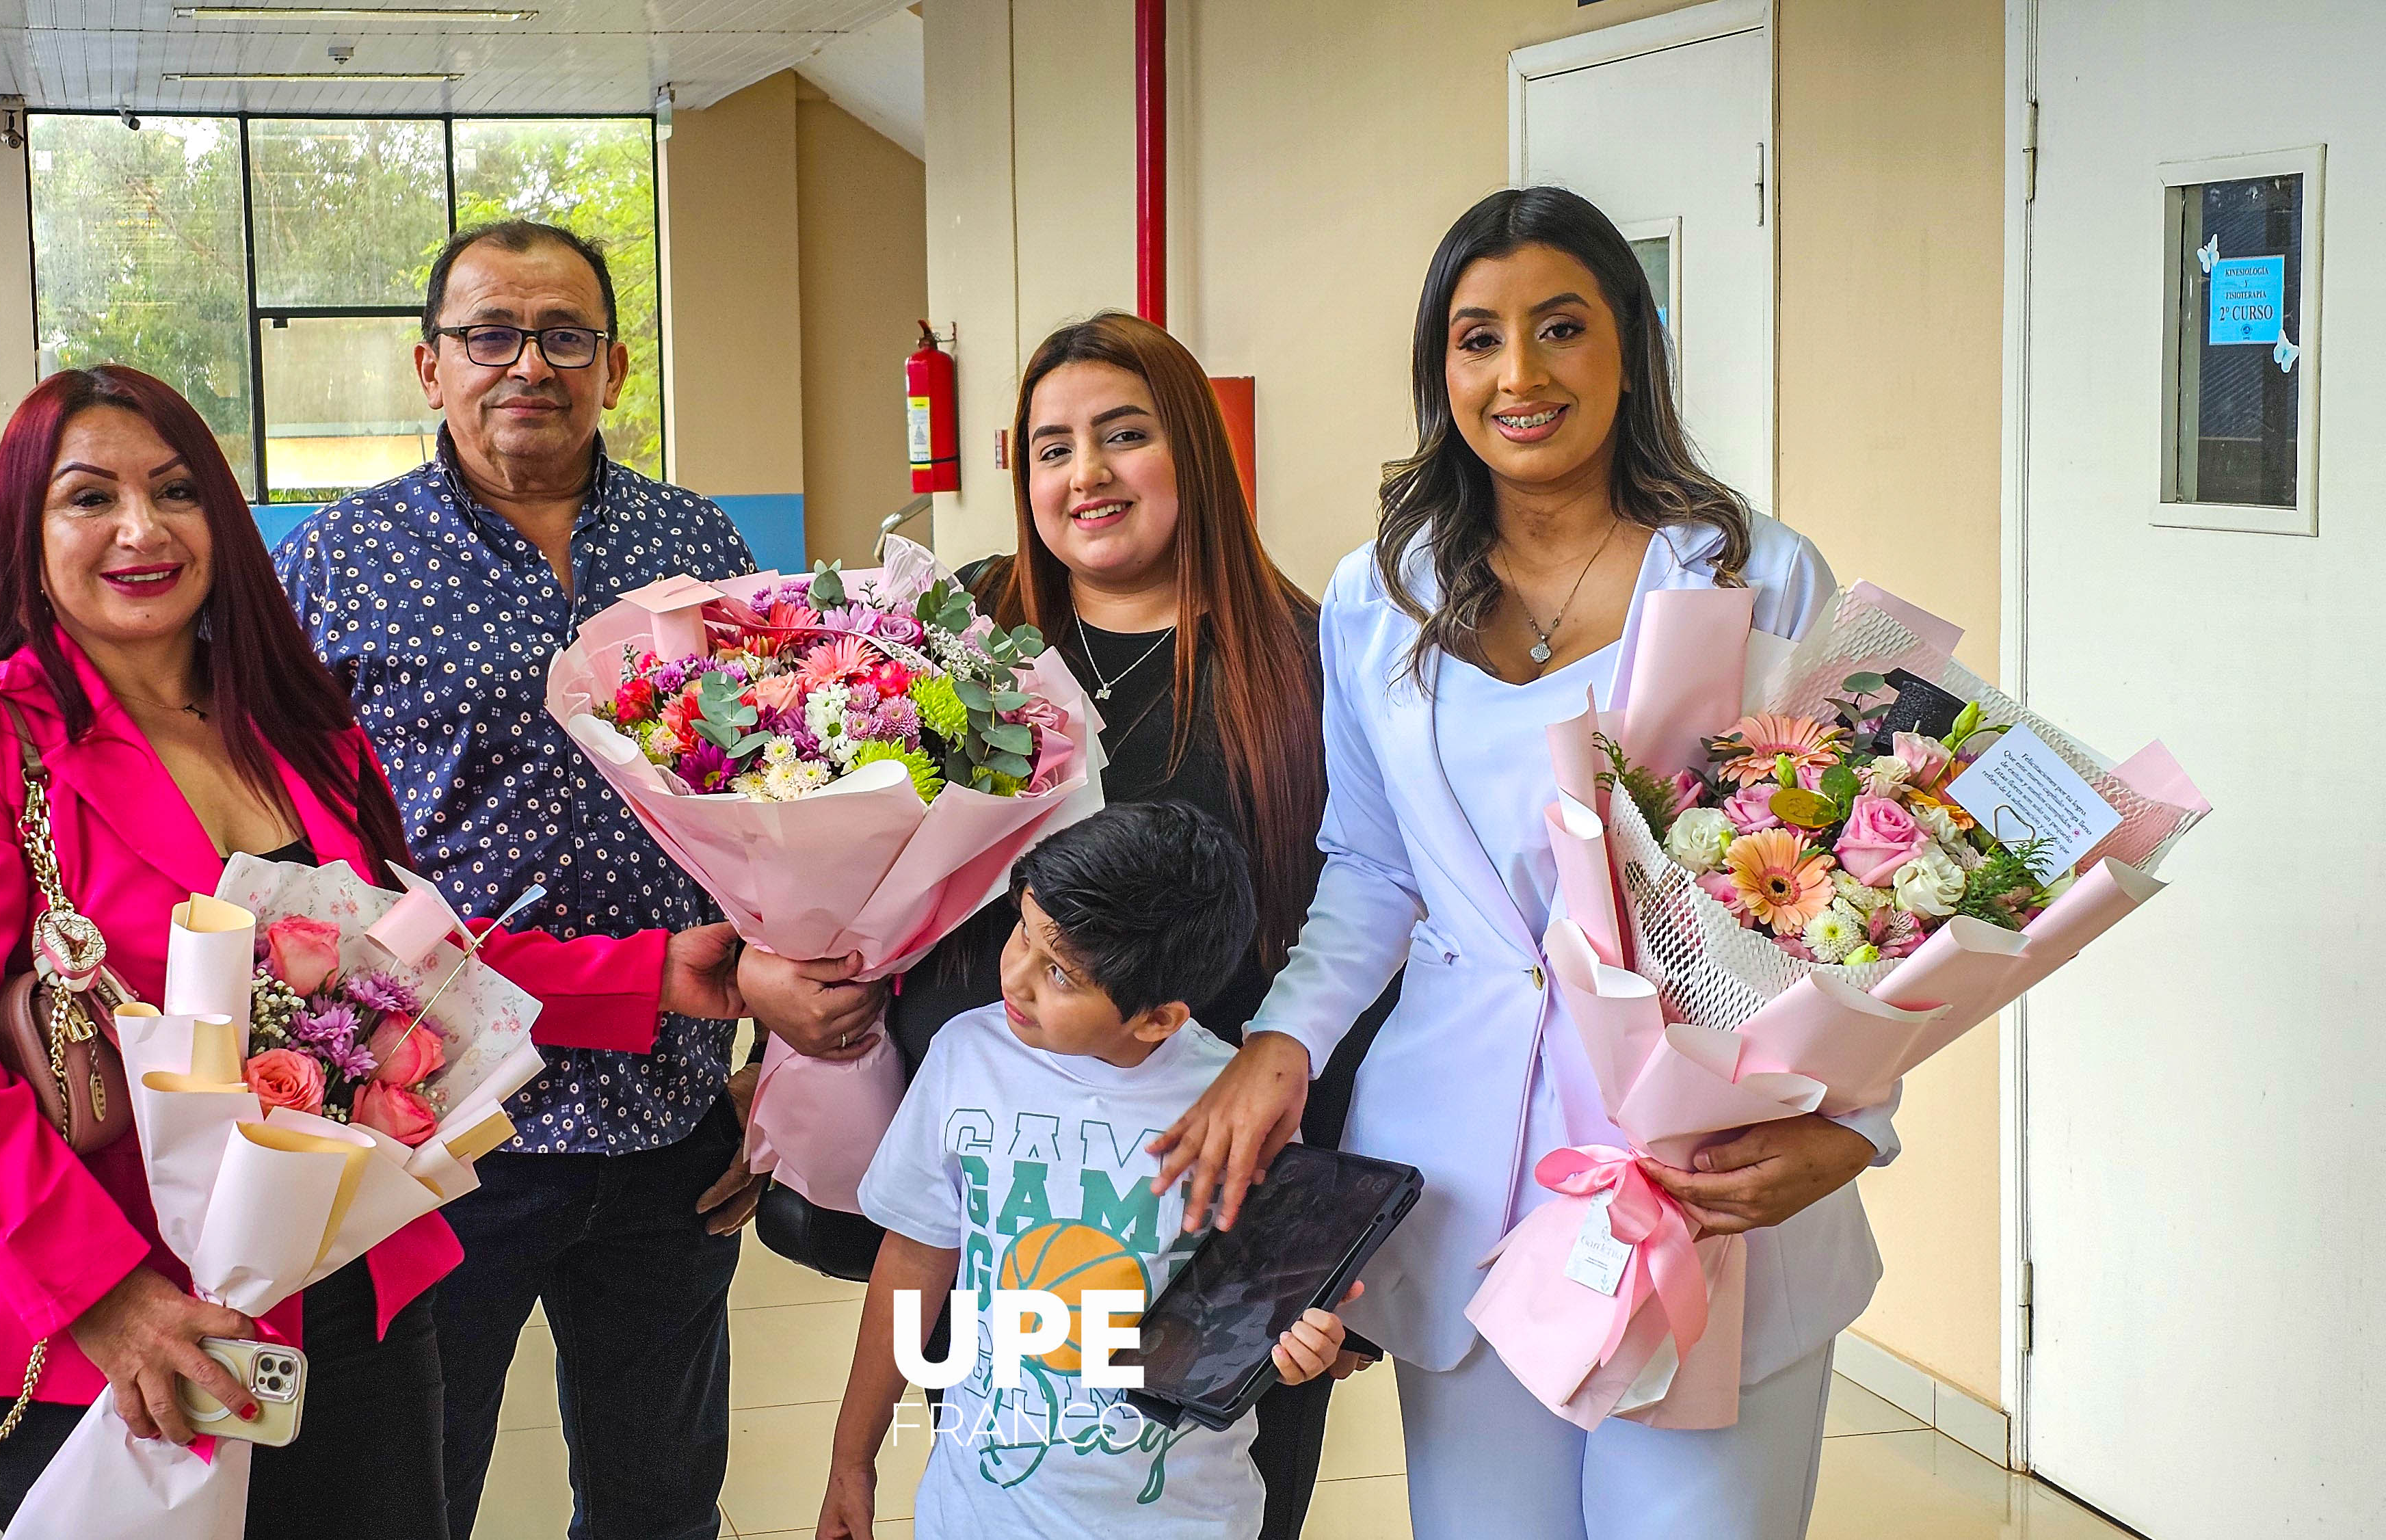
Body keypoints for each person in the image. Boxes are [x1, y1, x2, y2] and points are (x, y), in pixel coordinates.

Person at [0, 364, 742, 1535]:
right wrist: (109, 1299)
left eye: (175, 490)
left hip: (356, 1296)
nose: (140, 529)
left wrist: (651, 975)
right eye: (88, 498)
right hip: (109, 1332)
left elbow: (416, 968)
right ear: (26, 525)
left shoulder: (297, 730)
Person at [1150, 187, 1901, 1540]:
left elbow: (1859, 889)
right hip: (1462, 1165)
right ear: (1440, 374)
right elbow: (1370, 871)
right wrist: (1283, 1044)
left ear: (1629, 347)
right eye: (1475, 337)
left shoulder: (1755, 577)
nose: (1518, 374)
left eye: (1559, 328)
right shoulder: (1380, 595)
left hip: (1694, 1165)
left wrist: (1848, 1126)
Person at [274, 220, 872, 1540]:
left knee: (661, 1504)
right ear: (430, 367)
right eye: (491, 333)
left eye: (564, 336)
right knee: (413, 1496)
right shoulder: (333, 568)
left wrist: (782, 1082)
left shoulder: (693, 542)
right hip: (443, 1128)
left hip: (673, 1120)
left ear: (612, 365)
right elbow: (295, 866)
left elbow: (781, 812)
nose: (526, 364)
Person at [754, 310, 1396, 1539]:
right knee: (1017, 1469)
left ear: (1195, 453)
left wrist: (1327, 1243)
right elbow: (840, 864)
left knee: (1214, 1484)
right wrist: (779, 1031)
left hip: (1219, 1199)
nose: (1085, 474)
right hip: (1009, 1181)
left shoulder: (1303, 660)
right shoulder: (955, 641)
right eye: (1051, 448)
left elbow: (1359, 932)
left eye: (1123, 435)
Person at [817, 802, 1357, 1540]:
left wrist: (1302, 1348)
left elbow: (1266, 1319)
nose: (1015, 975)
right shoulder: (964, 1057)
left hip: (1182, 1520)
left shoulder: (1238, 1111)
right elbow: (913, 1256)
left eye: (1061, 972)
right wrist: (853, 1460)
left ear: (1158, 1017)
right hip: (975, 1509)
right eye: (1022, 931)